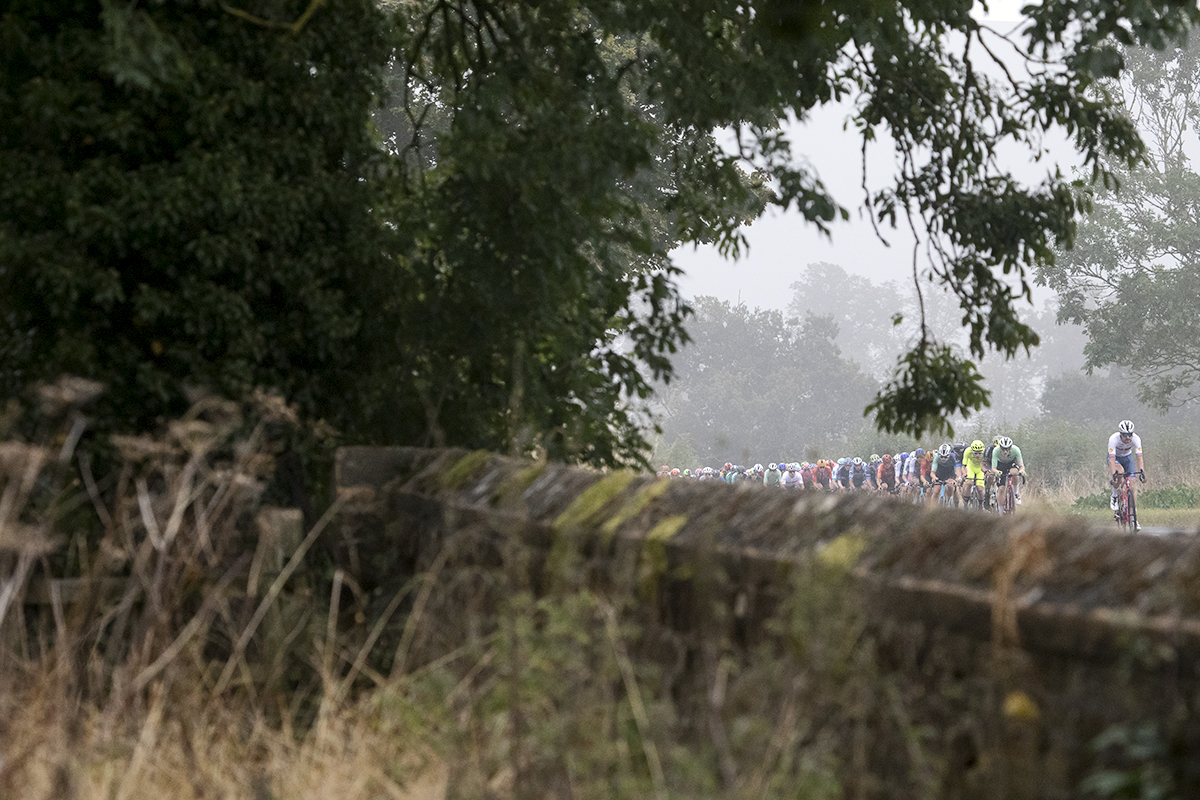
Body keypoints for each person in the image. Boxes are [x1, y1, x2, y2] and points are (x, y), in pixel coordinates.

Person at [1107, 420, 1145, 521]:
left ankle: (1133, 516)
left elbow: (1139, 457)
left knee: (1132, 486)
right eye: (1125, 435)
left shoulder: (1136, 439)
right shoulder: (1113, 439)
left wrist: (1141, 472)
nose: (1128, 437)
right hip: (1116, 459)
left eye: (1130, 434)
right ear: (1120, 434)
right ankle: (1115, 495)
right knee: (1119, 473)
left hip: (1127, 458)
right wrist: (1113, 477)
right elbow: (1111, 460)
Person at [990, 436, 1027, 506]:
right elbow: (993, 468)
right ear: (1000, 447)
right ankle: (1000, 513)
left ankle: (1016, 494)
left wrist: (1022, 471)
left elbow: (1021, 466)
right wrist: (997, 472)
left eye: (1007, 449)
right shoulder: (996, 451)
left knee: (1014, 472)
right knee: (1001, 489)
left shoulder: (1016, 450)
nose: (1005, 451)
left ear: (1011, 447)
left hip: (1011, 463)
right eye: (1003, 449)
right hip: (1001, 465)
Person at [959, 440, 987, 507]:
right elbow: (963, 466)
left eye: (980, 453)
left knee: (980, 489)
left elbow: (987, 465)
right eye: (975, 453)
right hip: (970, 467)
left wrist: (986, 473)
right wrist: (964, 474)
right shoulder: (968, 451)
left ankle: (981, 504)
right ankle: (965, 503)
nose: (977, 455)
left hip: (980, 469)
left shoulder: (985, 452)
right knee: (969, 484)